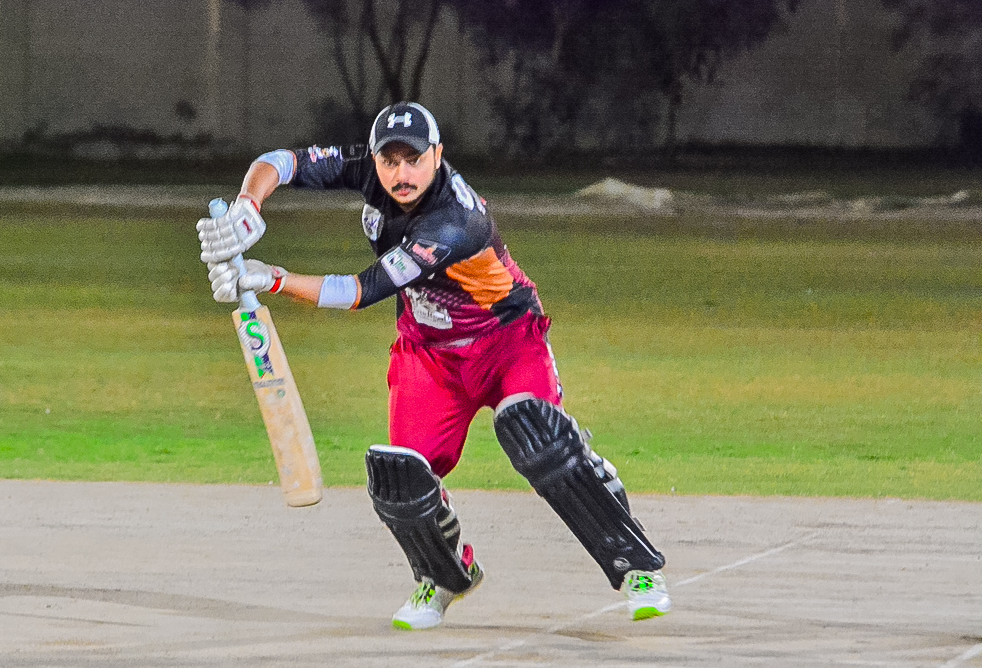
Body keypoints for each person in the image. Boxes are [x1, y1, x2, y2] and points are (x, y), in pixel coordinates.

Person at [198, 102, 670, 630]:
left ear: (438, 155)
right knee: (402, 477)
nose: (401, 174)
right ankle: (444, 576)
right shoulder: (371, 170)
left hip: (506, 341)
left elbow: (360, 291)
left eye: (414, 160)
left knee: (539, 439)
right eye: (390, 161)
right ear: (375, 159)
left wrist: (272, 279)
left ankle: (636, 569)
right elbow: (280, 161)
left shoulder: (454, 222)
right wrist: (248, 205)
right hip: (429, 354)